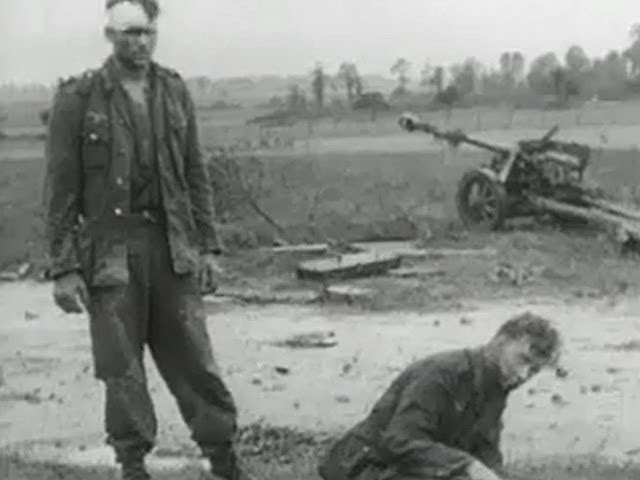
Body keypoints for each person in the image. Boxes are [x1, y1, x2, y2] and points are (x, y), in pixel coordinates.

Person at [43, 1, 250, 479]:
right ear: (110, 36)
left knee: (196, 360)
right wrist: (65, 266)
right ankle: (132, 465)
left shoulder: (174, 91)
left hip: (172, 246)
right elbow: (60, 188)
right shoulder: (79, 97)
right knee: (121, 369)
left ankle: (224, 459)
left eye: (147, 32)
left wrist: (209, 247)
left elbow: (196, 174)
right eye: (129, 33)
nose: (140, 42)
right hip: (111, 253)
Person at [318, 312, 562, 480]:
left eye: (534, 370)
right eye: (523, 360)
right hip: (365, 467)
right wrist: (466, 467)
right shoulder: (442, 374)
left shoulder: (496, 385)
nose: (523, 375)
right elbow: (399, 441)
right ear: (499, 342)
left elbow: (485, 451)